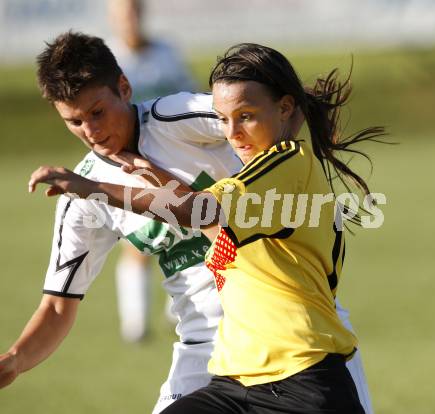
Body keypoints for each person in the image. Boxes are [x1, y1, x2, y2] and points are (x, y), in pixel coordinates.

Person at [30, 42, 384, 413]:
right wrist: (148, 169)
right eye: (223, 119)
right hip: (234, 367)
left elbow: (199, 211)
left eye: (244, 117)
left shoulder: (282, 165)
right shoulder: (246, 189)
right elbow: (205, 223)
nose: (230, 133)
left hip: (303, 363)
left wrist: (95, 189)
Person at [107, 0, 197, 342]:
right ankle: (136, 325)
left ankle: (180, 307)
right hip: (131, 162)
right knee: (140, 239)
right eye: (121, 14)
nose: (129, 20)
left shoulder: (166, 52)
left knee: (190, 230)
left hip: (176, 157)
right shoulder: (108, 59)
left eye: (133, 12)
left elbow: (191, 96)